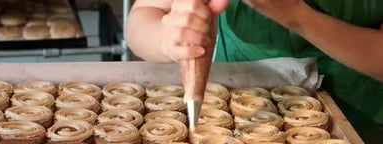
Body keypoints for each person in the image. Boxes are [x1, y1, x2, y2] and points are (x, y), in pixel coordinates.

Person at [125, 0, 383, 127]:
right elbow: (143, 16)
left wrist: (296, 15)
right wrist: (167, 37)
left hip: (363, 122)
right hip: (234, 116)